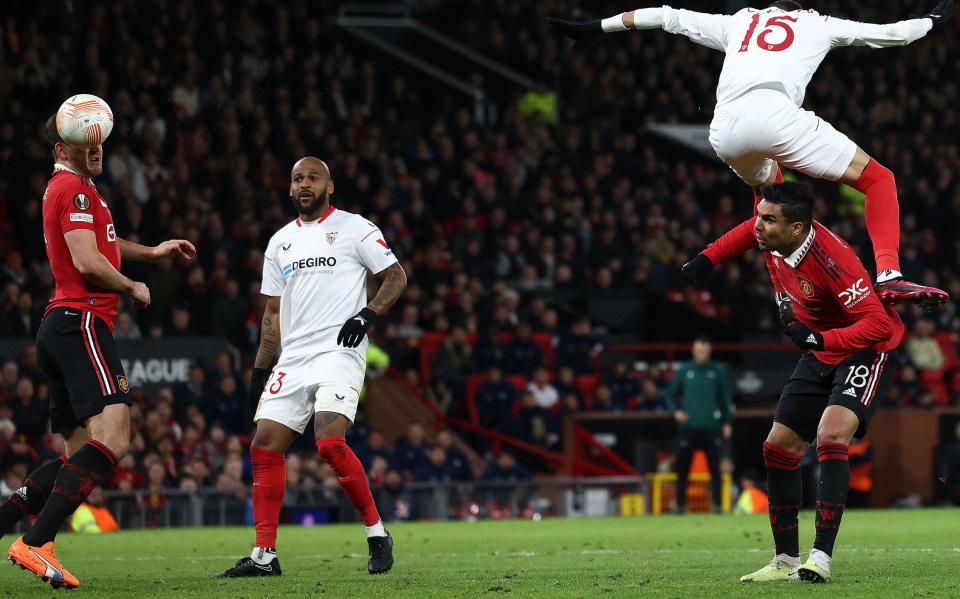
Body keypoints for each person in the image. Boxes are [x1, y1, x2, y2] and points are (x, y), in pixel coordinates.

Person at [547, 0, 954, 307]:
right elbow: (894, 34)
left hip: (725, 129)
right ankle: (888, 273)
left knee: (769, 200)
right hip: (776, 114)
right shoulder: (816, 22)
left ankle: (776, 291)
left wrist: (594, 28)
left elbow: (665, 16)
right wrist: (932, 21)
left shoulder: (740, 21)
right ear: (801, 11)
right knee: (878, 178)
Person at [3, 112, 195, 589]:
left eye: (98, 142)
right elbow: (88, 261)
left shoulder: (72, 189)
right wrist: (133, 286)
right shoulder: (75, 190)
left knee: (76, 455)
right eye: (81, 142)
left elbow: (100, 243)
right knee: (117, 436)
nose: (94, 149)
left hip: (58, 325)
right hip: (82, 320)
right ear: (59, 148)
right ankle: (35, 541)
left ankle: (13, 522)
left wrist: (150, 252)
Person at [692, 182, 902, 583]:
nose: (757, 225)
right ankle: (785, 560)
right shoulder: (776, 237)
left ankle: (820, 558)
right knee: (778, 447)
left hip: (865, 349)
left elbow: (876, 324)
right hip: (819, 350)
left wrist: (822, 338)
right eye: (760, 215)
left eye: (768, 219)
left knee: (831, 434)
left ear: (797, 228)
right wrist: (710, 256)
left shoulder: (833, 261)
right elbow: (748, 229)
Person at [217, 157, 407, 578]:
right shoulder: (280, 242)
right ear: (290, 189)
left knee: (328, 442)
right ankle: (264, 556)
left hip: (341, 348)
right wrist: (259, 371)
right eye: (298, 178)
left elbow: (396, 277)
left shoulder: (356, 228)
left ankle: (377, 533)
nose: (305, 184)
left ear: (329, 185)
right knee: (263, 445)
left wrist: (368, 315)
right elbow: (272, 316)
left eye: (313, 178)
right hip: (294, 356)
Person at [664, 336, 733, 514]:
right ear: (694, 350)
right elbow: (670, 395)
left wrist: (727, 422)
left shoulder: (717, 371)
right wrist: (675, 412)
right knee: (683, 468)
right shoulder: (685, 370)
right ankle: (680, 505)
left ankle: (717, 505)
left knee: (715, 468)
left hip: (711, 426)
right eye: (699, 349)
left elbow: (725, 399)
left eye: (705, 349)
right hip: (689, 427)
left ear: (709, 351)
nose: (702, 352)